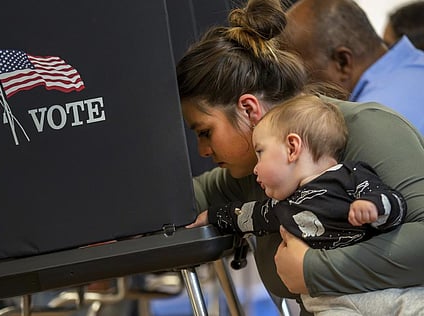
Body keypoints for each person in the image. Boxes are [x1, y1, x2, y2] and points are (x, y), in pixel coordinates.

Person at [176, 0, 424, 314]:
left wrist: (313, 269)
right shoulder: (252, 172)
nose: (203, 150)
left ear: (249, 109)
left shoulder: (368, 129)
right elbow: (179, 201)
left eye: (205, 131)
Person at [187, 94, 424, 314]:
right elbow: (244, 216)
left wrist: (375, 208)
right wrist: (212, 216)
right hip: (327, 304)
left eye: (260, 152)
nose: (256, 168)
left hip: (381, 291)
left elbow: (393, 202)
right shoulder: (279, 206)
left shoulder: (350, 174)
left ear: (292, 148)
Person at [279, 0, 424, 134]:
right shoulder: (416, 65)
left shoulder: (368, 123)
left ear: (342, 62)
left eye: (303, 74)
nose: (298, 90)